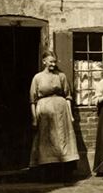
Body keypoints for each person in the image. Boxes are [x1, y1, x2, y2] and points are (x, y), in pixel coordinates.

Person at [29, 50, 78, 179]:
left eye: (55, 62)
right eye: (51, 61)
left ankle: (64, 173)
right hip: (44, 112)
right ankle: (48, 173)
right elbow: (32, 100)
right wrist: (34, 118)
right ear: (44, 62)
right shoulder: (37, 77)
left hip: (61, 112)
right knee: (46, 141)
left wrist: (71, 115)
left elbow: (68, 96)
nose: (53, 64)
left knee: (62, 141)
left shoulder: (61, 76)